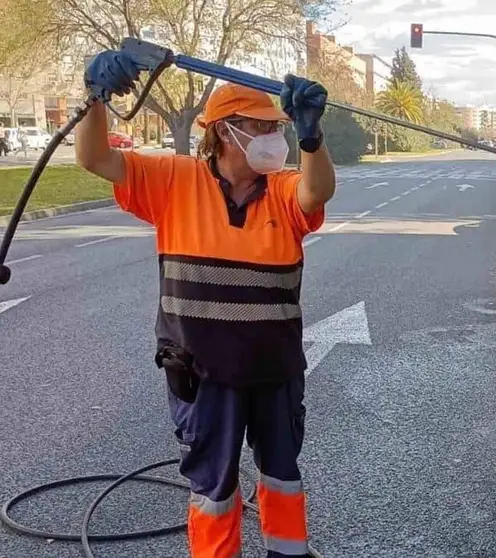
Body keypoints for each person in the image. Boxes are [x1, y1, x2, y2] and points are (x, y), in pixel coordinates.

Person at [75, 49, 335, 558]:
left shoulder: (282, 190)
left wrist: (312, 138)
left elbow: (316, 190)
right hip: (202, 371)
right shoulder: (173, 181)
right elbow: (94, 158)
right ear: (223, 133)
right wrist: (94, 97)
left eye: (275, 128)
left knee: (282, 476)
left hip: (273, 368)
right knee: (213, 490)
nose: (271, 139)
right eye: (259, 127)